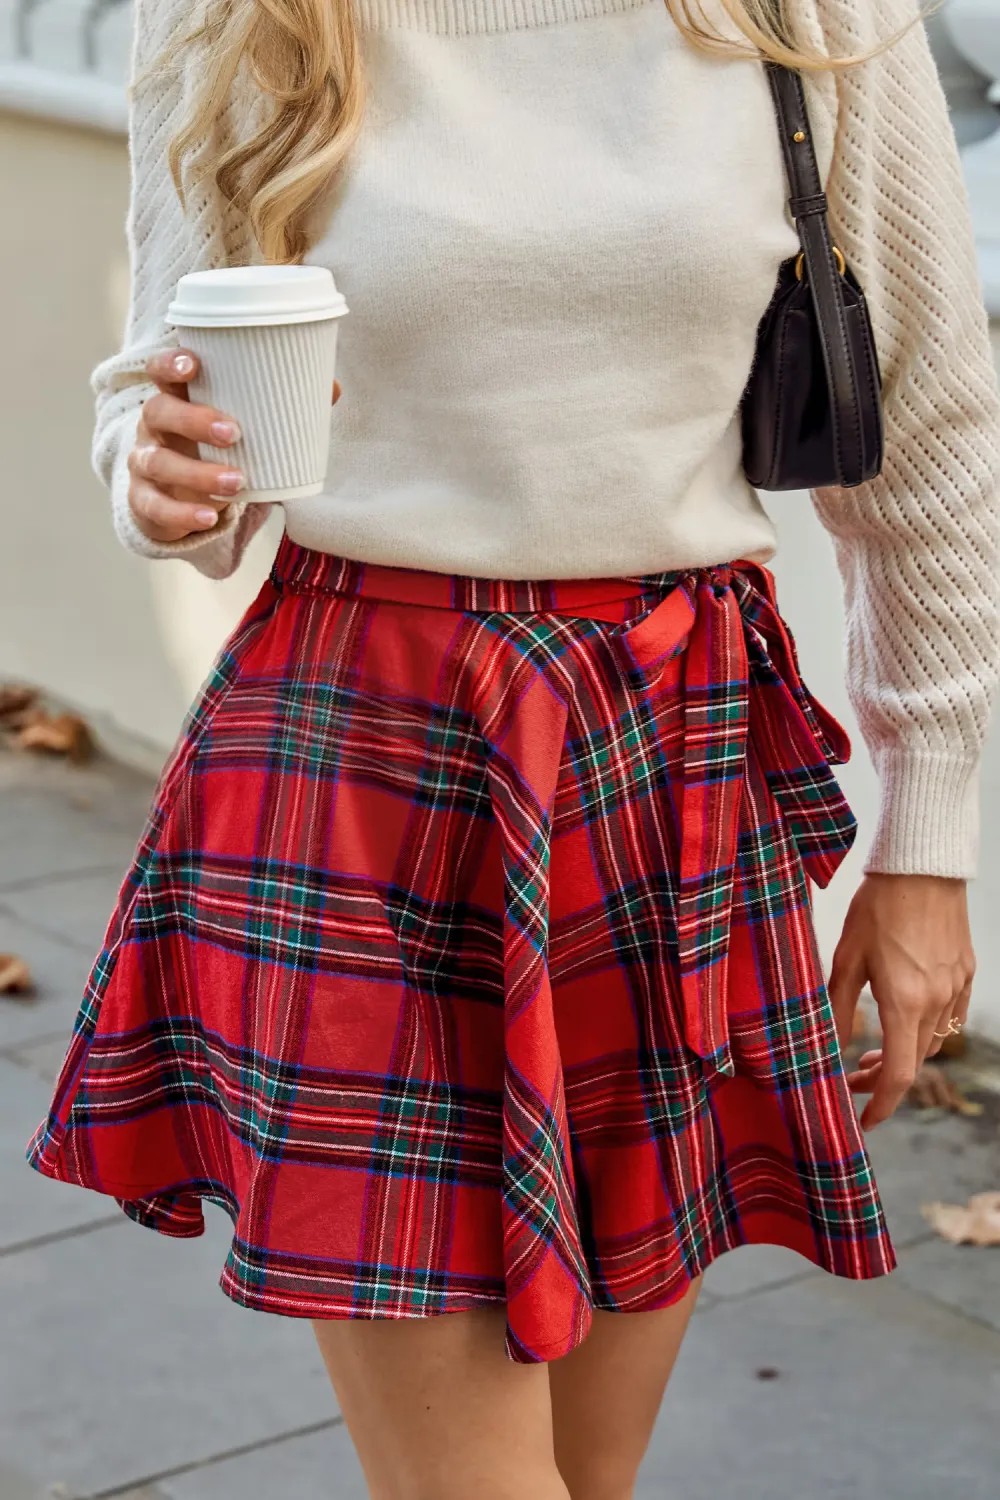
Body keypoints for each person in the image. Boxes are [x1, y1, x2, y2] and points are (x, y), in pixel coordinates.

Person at [28, 0, 999, 1494]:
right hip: (360, 764)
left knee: (585, 1480)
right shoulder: (239, 13)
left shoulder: (801, 11)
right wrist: (152, 468)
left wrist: (928, 842)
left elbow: (928, 425)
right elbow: (182, 390)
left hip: (664, 771)